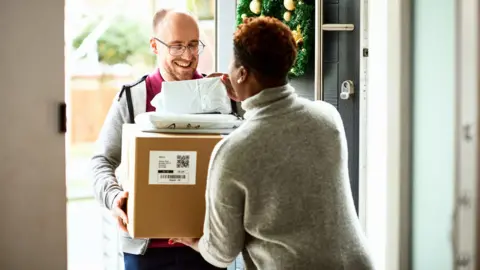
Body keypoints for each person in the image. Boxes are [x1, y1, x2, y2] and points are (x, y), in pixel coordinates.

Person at [171, 17, 375, 269]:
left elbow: (221, 253)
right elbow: (278, 137)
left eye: (232, 66)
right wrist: (245, 94)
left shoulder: (233, 152)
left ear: (242, 73)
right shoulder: (328, 117)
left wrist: (195, 241)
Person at [90, 9, 226, 270]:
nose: (188, 56)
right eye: (176, 46)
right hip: (146, 252)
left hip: (205, 246)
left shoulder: (218, 95)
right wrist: (113, 196)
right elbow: (101, 161)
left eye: (193, 44)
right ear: (155, 45)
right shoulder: (132, 98)